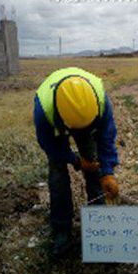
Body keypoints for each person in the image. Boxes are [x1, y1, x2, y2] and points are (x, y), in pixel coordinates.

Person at [34, 67, 119, 257]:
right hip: (57, 124)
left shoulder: (101, 102)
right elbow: (51, 147)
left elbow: (106, 138)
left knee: (94, 163)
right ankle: (61, 229)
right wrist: (76, 162)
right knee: (57, 175)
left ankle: (98, 219)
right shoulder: (44, 111)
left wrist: (107, 172)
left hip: (83, 119)